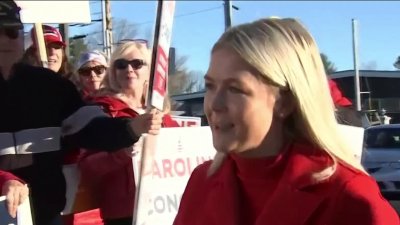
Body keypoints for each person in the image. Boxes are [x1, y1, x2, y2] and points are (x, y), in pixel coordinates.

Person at [173, 17, 399, 225]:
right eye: (210, 86)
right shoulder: (202, 181)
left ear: (285, 102)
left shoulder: (348, 195)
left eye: (235, 89)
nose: (215, 104)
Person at [0, 2, 163, 225]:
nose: (5, 40)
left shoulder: (49, 85)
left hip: (45, 214)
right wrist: (3, 181)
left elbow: (89, 127)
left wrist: (131, 128)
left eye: (11, 31)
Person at [78, 41, 179, 225]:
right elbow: (87, 166)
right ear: (114, 72)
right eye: (121, 64)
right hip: (124, 214)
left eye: (137, 64)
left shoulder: (162, 113)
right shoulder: (101, 110)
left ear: (150, 71)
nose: (129, 69)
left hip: (165, 208)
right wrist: (122, 153)